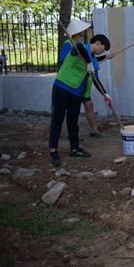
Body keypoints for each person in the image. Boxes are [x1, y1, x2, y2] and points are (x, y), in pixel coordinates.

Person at [49, 19, 113, 167]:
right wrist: (88, 62)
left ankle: (75, 148)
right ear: (97, 43)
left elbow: (95, 79)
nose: (102, 52)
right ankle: (53, 151)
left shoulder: (94, 60)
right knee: (57, 120)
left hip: (77, 93)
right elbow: (80, 49)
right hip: (62, 88)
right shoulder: (78, 47)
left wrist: (105, 94)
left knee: (73, 121)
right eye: (102, 49)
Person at [58, 19, 114, 138]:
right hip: (72, 83)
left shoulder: (88, 51)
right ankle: (72, 136)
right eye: (81, 32)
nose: (83, 34)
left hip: (83, 85)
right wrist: (86, 65)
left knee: (88, 105)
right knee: (72, 111)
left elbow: (90, 64)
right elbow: (67, 61)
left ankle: (94, 131)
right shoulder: (70, 44)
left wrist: (105, 94)